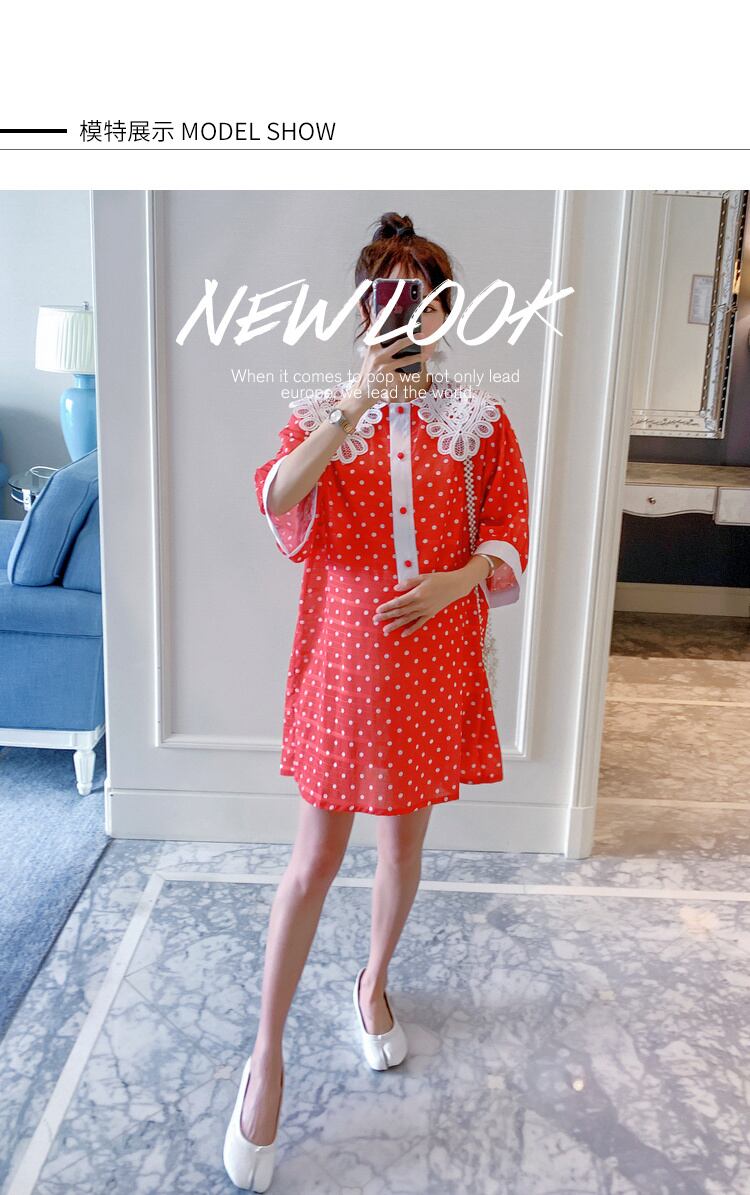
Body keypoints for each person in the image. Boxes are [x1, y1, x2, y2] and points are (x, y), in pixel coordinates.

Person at [223, 212, 530, 1191]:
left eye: (422, 299)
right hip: (344, 667)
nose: (407, 315)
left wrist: (457, 580)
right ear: (365, 312)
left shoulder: (479, 420)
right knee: (314, 859)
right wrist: (353, 403)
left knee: (402, 845)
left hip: (435, 661)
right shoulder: (323, 411)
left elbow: (510, 526)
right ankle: (266, 1053)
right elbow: (278, 498)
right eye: (388, 298)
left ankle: (373, 982)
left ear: (443, 312)